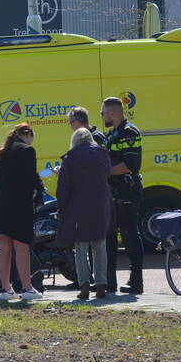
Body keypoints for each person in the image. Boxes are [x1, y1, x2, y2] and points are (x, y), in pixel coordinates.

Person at [0, 123, 44, 301]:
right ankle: (27, 288)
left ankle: (6, 289)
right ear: (27, 135)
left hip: (0, 204)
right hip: (19, 205)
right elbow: (31, 178)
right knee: (21, 247)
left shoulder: (2, 153)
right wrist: (38, 190)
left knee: (3, 247)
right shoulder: (28, 151)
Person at [56, 127, 112, 300]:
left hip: (78, 206)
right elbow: (106, 175)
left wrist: (62, 207)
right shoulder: (102, 155)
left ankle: (84, 286)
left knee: (80, 248)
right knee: (99, 246)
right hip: (100, 204)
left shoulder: (70, 158)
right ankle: (101, 285)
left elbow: (64, 187)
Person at [102, 97, 144, 295]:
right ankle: (109, 282)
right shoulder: (113, 134)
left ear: (112, 113)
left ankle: (136, 281)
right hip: (113, 192)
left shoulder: (129, 133)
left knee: (129, 234)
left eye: (103, 113)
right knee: (109, 236)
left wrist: (104, 171)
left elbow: (130, 165)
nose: (102, 117)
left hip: (127, 190)